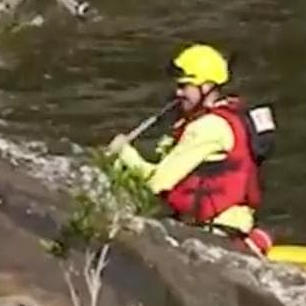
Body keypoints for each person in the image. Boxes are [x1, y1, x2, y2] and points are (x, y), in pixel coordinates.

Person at [108, 43, 276, 255]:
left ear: (206, 87)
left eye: (184, 86)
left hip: (214, 234)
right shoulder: (229, 116)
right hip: (235, 225)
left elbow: (156, 183)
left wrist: (124, 154)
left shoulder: (206, 127)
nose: (178, 93)